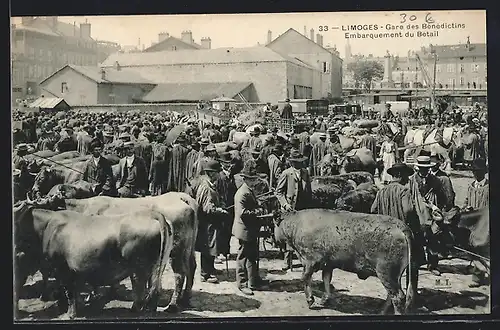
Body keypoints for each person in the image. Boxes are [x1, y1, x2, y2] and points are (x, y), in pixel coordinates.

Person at [371, 163, 425, 288]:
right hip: (401, 234)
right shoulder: (403, 191)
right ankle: (412, 293)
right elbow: (408, 210)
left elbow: (373, 210)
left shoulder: (382, 191)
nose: (407, 180)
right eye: (406, 176)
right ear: (400, 175)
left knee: (390, 268)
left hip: (385, 234)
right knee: (412, 264)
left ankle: (392, 295)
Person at [408, 153, 448, 276]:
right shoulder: (412, 181)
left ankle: (433, 265)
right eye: (422, 168)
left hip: (432, 214)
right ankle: (418, 262)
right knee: (417, 239)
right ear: (418, 168)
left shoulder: (435, 180)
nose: (424, 171)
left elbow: (442, 197)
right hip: (417, 214)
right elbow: (409, 197)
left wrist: (437, 208)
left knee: (433, 239)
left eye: (426, 169)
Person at [232, 161, 267, 295]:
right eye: (252, 179)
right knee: (243, 257)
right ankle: (242, 283)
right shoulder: (242, 193)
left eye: (255, 179)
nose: (255, 181)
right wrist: (257, 211)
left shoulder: (248, 190)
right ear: (245, 179)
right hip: (244, 230)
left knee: (252, 256)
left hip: (250, 229)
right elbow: (243, 213)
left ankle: (254, 281)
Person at [276, 150, 312, 271]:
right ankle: (287, 260)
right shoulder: (286, 174)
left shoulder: (306, 173)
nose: (298, 164)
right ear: (291, 163)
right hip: (290, 208)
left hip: (303, 208)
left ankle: (303, 259)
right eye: (296, 162)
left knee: (302, 234)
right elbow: (279, 192)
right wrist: (285, 204)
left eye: (300, 162)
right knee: (289, 235)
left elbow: (309, 191)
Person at [195, 159, 229, 283]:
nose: (219, 175)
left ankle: (211, 268)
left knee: (212, 246)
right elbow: (207, 208)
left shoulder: (210, 184)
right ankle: (205, 274)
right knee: (207, 247)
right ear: (212, 173)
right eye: (217, 172)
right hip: (207, 223)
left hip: (212, 222)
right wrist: (220, 210)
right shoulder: (206, 188)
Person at [462, 158, 489, 287]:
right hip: (472, 222)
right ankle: (478, 274)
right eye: (474, 172)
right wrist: (466, 207)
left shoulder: (489, 187)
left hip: (485, 222)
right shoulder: (471, 186)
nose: (476, 174)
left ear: (484, 172)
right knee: (473, 247)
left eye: (478, 172)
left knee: (483, 247)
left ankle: (481, 275)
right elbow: (466, 201)